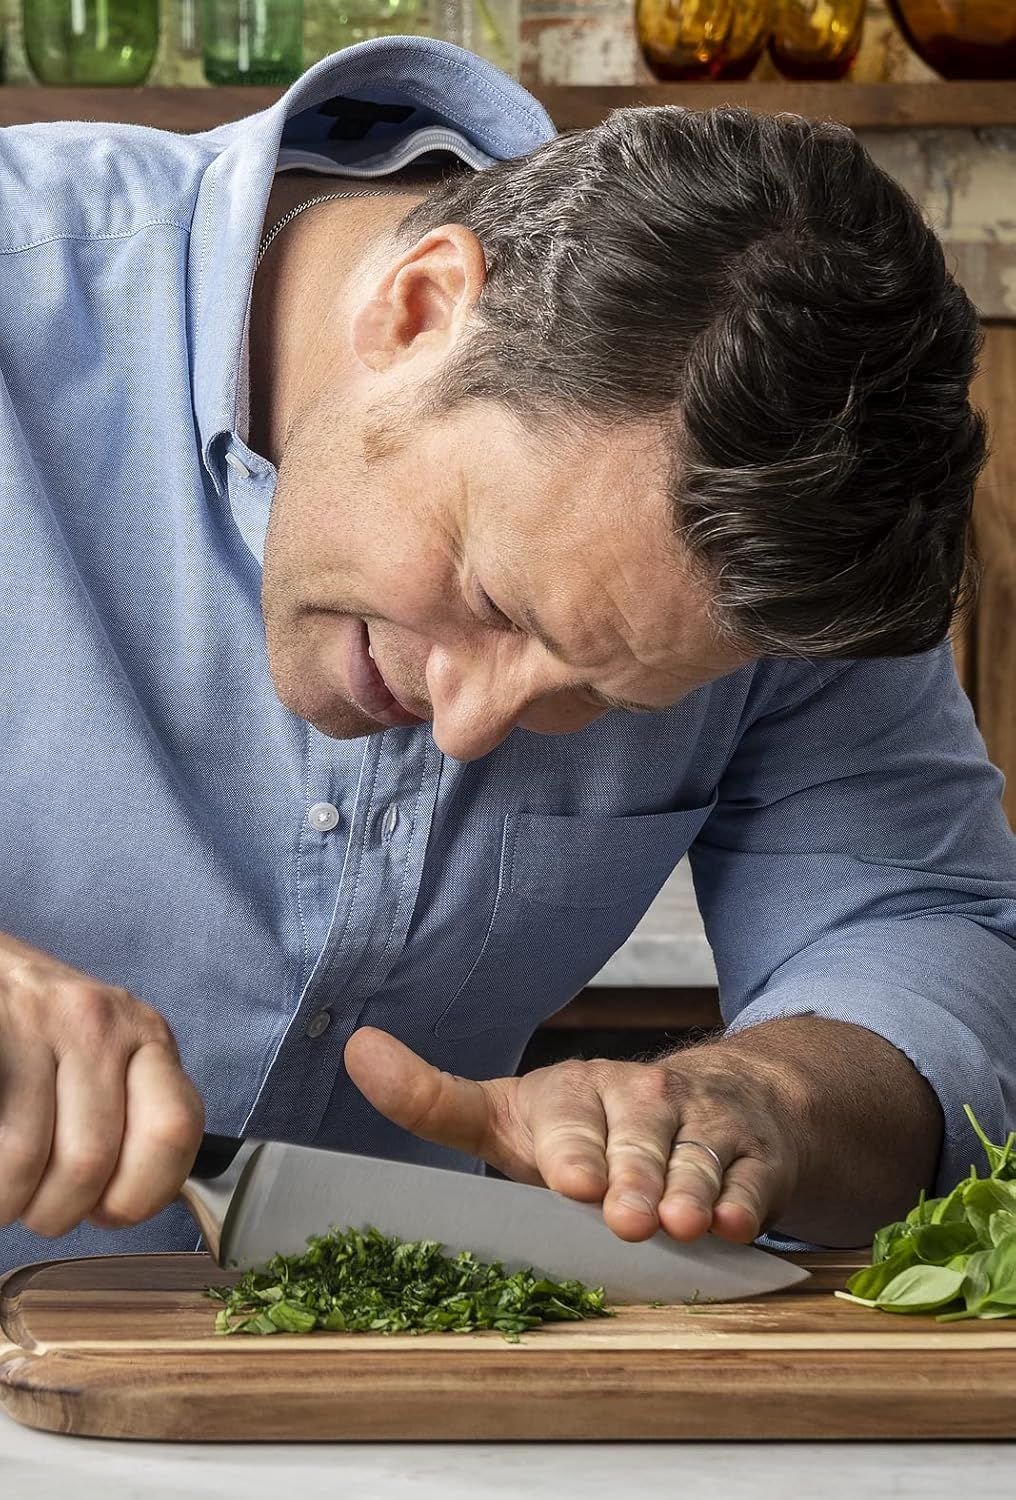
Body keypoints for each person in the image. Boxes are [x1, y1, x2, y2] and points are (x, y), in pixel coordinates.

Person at [0, 36, 1013, 1277]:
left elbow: (918, 924)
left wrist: (764, 1100)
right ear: (418, 307)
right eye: (493, 598)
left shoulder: (789, 523)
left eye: (598, 698)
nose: (468, 726)